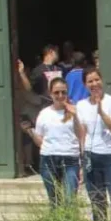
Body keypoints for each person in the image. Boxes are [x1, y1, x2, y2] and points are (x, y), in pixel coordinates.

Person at [21, 77, 85, 207]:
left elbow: (82, 136)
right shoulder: (44, 114)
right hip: (48, 160)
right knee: (54, 201)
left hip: (70, 160)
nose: (60, 96)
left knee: (69, 200)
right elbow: (40, 140)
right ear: (51, 94)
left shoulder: (75, 111)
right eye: (56, 92)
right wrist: (29, 131)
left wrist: (76, 115)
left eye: (63, 92)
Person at [78, 67, 111, 221]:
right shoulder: (81, 105)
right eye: (90, 81)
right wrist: (82, 160)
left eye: (96, 79)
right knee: (97, 201)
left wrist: (101, 112)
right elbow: (82, 134)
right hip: (92, 157)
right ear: (85, 85)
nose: (94, 84)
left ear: (102, 80)